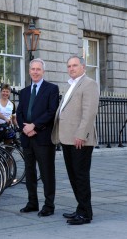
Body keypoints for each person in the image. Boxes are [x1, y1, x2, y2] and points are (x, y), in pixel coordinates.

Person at [51, 56, 99, 225]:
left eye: (74, 65)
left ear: (83, 67)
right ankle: (81, 208)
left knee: (80, 176)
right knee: (73, 176)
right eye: (69, 66)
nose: (71, 68)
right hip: (68, 138)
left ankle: (85, 213)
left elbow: (89, 112)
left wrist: (81, 134)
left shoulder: (89, 84)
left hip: (80, 139)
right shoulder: (70, 85)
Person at [16, 58, 59, 217]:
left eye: (38, 69)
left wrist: (34, 126)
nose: (35, 71)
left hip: (43, 138)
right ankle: (32, 202)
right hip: (27, 138)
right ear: (29, 71)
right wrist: (25, 128)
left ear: (43, 71)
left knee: (46, 172)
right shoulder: (24, 91)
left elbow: (51, 111)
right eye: (32, 69)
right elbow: (19, 113)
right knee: (29, 172)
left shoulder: (51, 89)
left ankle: (49, 205)